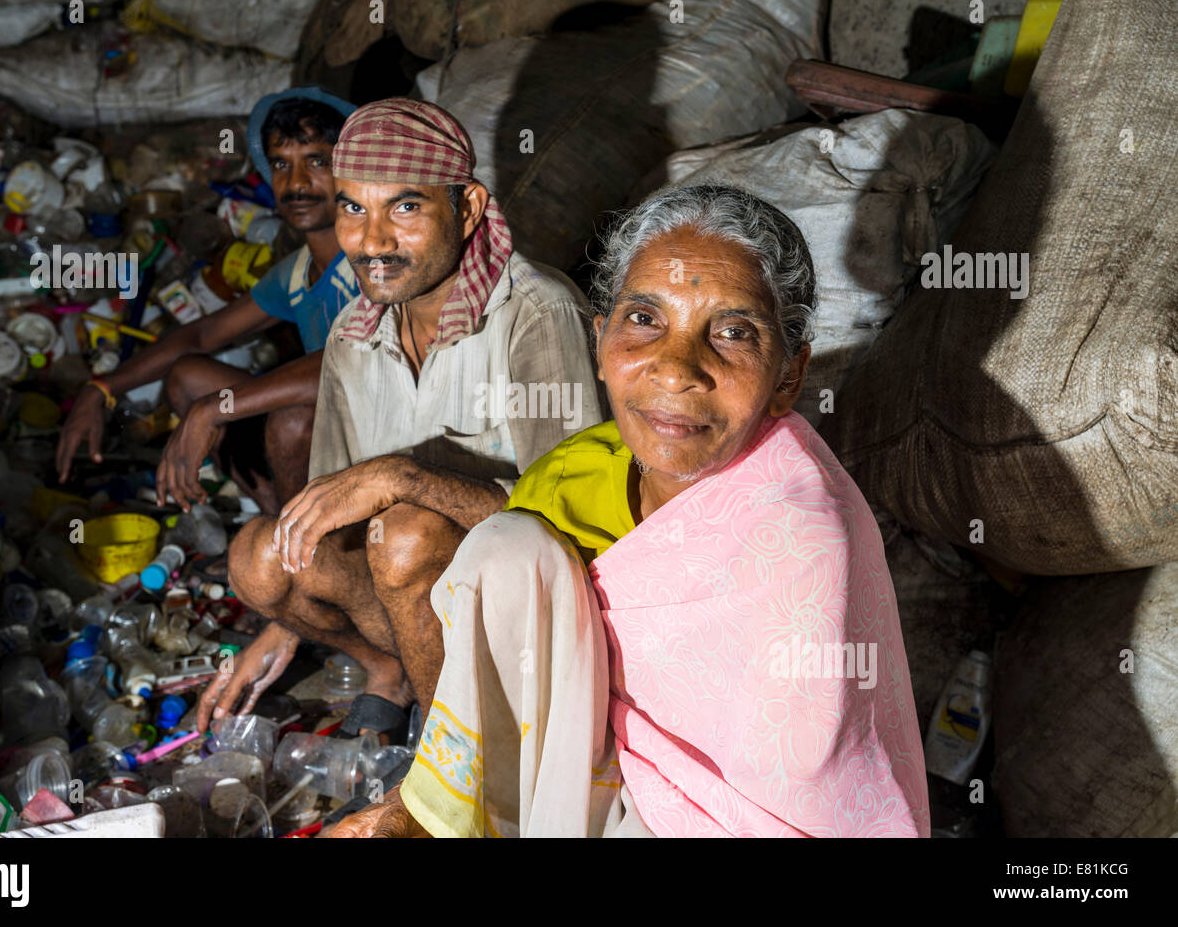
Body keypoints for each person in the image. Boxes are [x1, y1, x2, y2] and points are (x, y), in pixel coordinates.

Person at [329, 184, 930, 837]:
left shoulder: (799, 536)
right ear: (600, 341)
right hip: (590, 790)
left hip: (712, 822)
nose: (676, 370)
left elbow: (778, 811)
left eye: (732, 332)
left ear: (787, 376)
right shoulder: (579, 469)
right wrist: (413, 808)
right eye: (645, 319)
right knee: (505, 549)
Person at [195, 99, 605, 741]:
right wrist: (282, 625)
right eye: (354, 208)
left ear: (466, 210)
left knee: (406, 533)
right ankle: (398, 673)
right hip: (409, 599)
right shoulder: (352, 336)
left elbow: (578, 522)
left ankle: (460, 761)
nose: (373, 241)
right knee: (260, 556)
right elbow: (328, 518)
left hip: (530, 608)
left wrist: (406, 480)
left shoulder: (534, 314)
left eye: (406, 207)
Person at [56, 87, 358, 515]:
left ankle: (304, 565)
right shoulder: (297, 271)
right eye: (280, 164)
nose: (296, 183)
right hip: (335, 429)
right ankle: (276, 522)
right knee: (188, 376)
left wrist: (213, 410)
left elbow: (350, 362)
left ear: (351, 169)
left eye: (316, 162)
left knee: (291, 420)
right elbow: (200, 334)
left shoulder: (371, 260)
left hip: (386, 431)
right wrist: (101, 388)